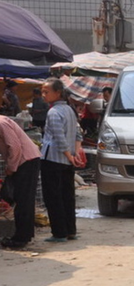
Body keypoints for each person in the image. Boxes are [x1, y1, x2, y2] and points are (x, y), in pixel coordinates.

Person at [40, 78, 82, 243]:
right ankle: (70, 231)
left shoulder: (54, 112)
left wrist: (70, 155)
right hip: (66, 161)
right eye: (42, 92)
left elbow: (58, 138)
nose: (44, 95)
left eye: (46, 92)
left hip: (53, 160)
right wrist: (74, 154)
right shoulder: (69, 110)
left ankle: (59, 233)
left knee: (53, 196)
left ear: (57, 93)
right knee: (67, 195)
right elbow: (78, 134)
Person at [0, 116, 42, 249]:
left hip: (25, 161)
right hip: (25, 160)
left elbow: (15, 146)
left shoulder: (2, 124)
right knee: (24, 200)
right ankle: (25, 235)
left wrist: (11, 168)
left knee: (23, 200)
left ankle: (20, 238)